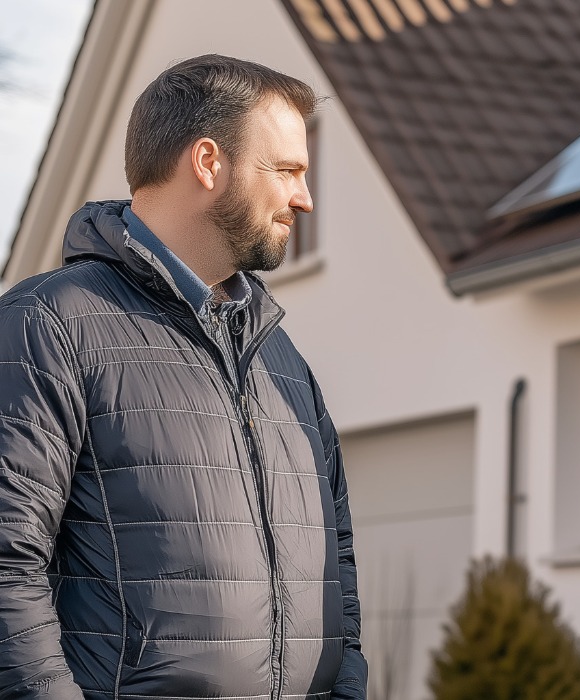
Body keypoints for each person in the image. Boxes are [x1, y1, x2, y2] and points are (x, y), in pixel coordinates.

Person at [0, 55, 367, 698]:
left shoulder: (284, 362)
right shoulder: (49, 325)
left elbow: (338, 570)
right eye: (286, 171)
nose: (304, 198)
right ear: (207, 163)